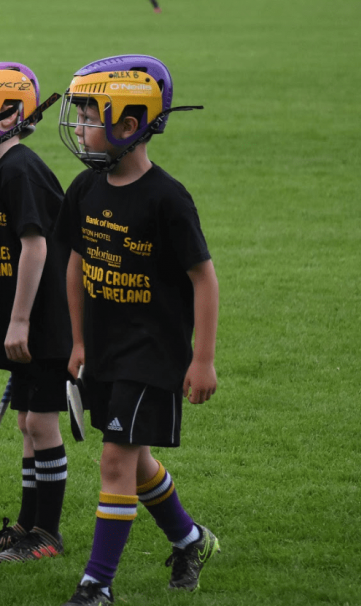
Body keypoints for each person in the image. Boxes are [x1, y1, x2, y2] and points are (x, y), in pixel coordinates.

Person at [54, 55, 219, 605]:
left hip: (153, 352)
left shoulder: (167, 199)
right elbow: (76, 266)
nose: (79, 128)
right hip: (103, 346)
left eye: (89, 116)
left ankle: (95, 585)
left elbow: (204, 279)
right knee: (134, 457)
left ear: (129, 124)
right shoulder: (84, 189)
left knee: (116, 459)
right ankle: (189, 539)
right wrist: (77, 342)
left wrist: (202, 359)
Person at [0, 63, 72, 563]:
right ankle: (27, 526)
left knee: (41, 424)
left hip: (44, 322)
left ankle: (47, 534)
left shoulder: (21, 170)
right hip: (22, 319)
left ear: (7, 115)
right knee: (27, 422)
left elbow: (36, 247)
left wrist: (20, 319)